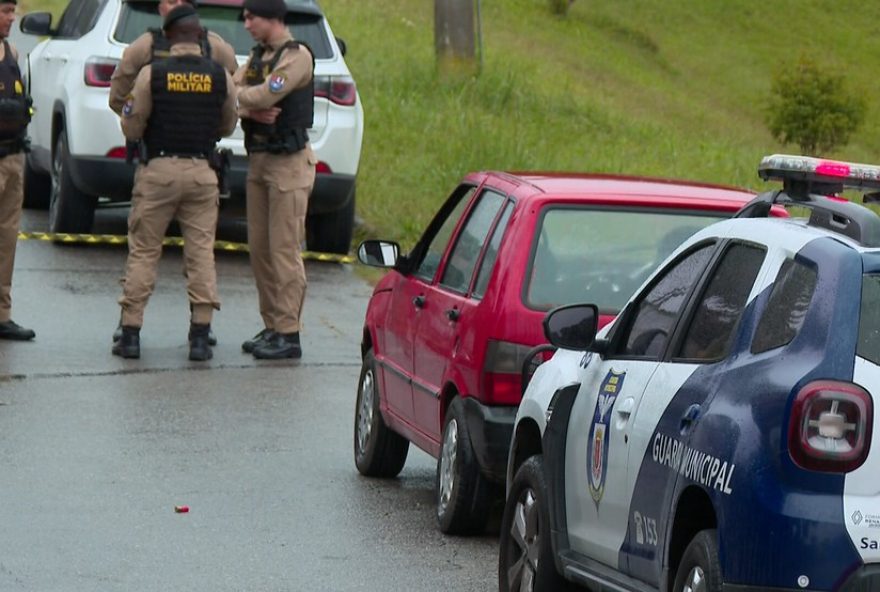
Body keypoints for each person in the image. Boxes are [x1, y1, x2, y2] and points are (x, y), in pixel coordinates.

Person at [113, 4, 237, 361]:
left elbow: (132, 124)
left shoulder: (153, 73)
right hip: (202, 172)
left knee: (144, 252)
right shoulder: (219, 75)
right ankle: (200, 336)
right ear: (200, 36)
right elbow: (228, 124)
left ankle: (131, 333)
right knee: (200, 255)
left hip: (159, 171)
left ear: (168, 37)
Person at [235, 0, 316, 360]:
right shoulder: (256, 57)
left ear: (272, 17)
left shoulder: (296, 56)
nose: (246, 23)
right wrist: (248, 108)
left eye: (252, 17)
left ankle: (289, 332)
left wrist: (245, 101)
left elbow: (270, 91)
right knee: (261, 250)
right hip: (259, 161)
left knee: (284, 250)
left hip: (289, 165)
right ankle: (271, 325)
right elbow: (228, 92)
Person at [109, 0, 238, 116]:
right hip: (154, 137)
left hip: (200, 136)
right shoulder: (144, 46)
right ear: (161, 9)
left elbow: (235, 89)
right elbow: (118, 96)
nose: (179, 6)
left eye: (185, 2)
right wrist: (140, 122)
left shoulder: (215, 46)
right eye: (172, 2)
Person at [0, 0, 34, 341]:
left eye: (14, 10)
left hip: (12, 159)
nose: (12, 18)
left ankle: (2, 314)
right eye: (5, 10)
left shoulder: (11, 52)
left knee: (7, 239)